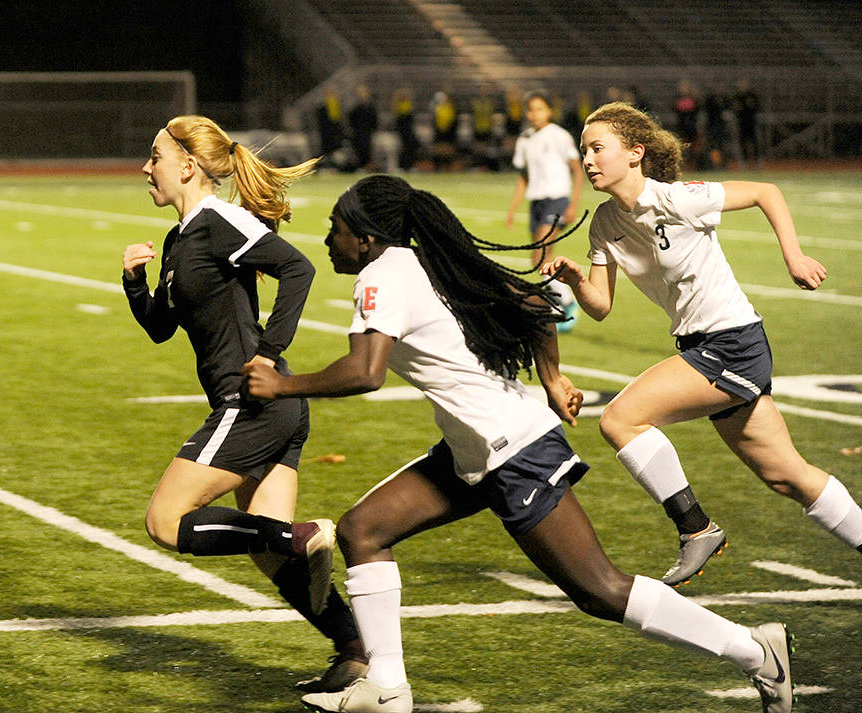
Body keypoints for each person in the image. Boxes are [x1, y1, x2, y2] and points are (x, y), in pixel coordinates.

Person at [244, 174, 795, 713]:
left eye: (335, 228)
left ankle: (755, 650)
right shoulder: (423, 261)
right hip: (476, 452)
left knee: (599, 589)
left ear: (364, 237)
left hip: (513, 452)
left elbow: (365, 372)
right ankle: (387, 691)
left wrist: (283, 384)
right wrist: (552, 379)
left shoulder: (383, 275)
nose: (327, 239)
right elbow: (535, 305)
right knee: (364, 530)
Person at [542, 102, 862, 588]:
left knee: (620, 418)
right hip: (706, 345)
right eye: (584, 150)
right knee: (788, 476)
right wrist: (575, 279)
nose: (587, 160)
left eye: (597, 149)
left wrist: (793, 256)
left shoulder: (677, 199)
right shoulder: (605, 223)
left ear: (635, 153)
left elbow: (764, 191)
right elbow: (601, 305)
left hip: (731, 342)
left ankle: (696, 529)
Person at [122, 114, 366, 693]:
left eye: (154, 157)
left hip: (252, 402)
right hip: (268, 408)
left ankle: (299, 536)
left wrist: (270, 352)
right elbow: (161, 328)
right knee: (275, 557)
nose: (145, 167)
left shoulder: (220, 221)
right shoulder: (184, 238)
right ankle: (355, 652)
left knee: (165, 521)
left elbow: (296, 268)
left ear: (187, 165)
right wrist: (136, 280)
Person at [506, 90, 583, 331]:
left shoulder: (559, 136)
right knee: (539, 258)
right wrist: (512, 209)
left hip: (557, 199)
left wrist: (573, 204)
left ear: (549, 110)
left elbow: (577, 170)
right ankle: (560, 298)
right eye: (530, 109)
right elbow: (524, 178)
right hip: (537, 202)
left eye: (539, 109)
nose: (534, 114)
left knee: (542, 247)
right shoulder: (525, 138)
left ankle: (567, 302)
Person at [348, 85, 379, 172]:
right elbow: (352, 120)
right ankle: (361, 166)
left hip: (367, 132)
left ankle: (368, 166)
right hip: (358, 133)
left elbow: (374, 121)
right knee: (359, 149)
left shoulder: (370, 108)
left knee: (368, 149)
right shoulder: (355, 108)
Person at [734, 78, 762, 169]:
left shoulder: (752, 95)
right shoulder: (737, 96)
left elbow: (757, 107)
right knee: (743, 143)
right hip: (741, 123)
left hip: (752, 123)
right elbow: (735, 109)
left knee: (755, 143)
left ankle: (757, 162)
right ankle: (744, 163)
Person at [316, 89, 346, 164]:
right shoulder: (322, 108)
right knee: (327, 150)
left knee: (335, 149)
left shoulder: (336, 106)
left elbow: (338, 120)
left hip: (334, 134)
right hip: (326, 133)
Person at [391, 89, 419, 171]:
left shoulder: (407, 105)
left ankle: (410, 165)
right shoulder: (398, 106)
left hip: (408, 131)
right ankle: (402, 166)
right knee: (403, 149)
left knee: (410, 147)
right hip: (402, 131)